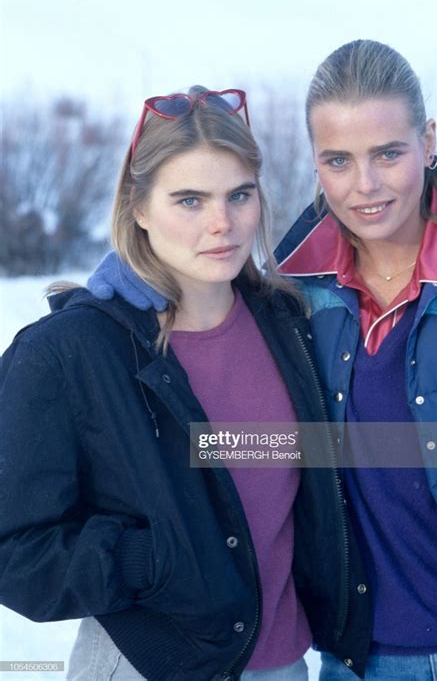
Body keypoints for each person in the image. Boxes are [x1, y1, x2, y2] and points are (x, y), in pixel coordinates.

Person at [0, 87, 372, 681]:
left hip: (282, 664)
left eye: (239, 195)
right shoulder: (69, 354)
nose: (222, 223)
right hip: (149, 664)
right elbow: (13, 551)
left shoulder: (286, 322)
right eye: (190, 200)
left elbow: (275, 463)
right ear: (139, 206)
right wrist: (150, 559)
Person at [274, 40, 437, 680]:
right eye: (339, 160)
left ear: (428, 139)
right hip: (353, 658)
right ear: (315, 162)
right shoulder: (291, 286)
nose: (365, 186)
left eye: (388, 153)